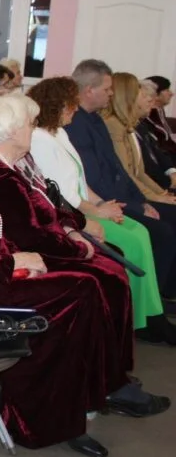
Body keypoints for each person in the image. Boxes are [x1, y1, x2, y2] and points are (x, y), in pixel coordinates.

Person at [0, 96, 168, 457]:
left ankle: (76, 401)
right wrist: (15, 261)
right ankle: (39, 418)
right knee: (81, 290)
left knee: (85, 287)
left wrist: (20, 259)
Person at [27, 76, 174, 342]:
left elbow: (81, 181)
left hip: (85, 207)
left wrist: (101, 204)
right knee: (132, 240)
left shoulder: (59, 133)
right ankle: (139, 318)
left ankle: (149, 312)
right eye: (71, 104)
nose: (75, 109)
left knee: (140, 231)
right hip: (73, 215)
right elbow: (61, 195)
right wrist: (95, 211)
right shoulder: (40, 139)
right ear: (57, 105)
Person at [67, 60, 176, 302]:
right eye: (107, 89)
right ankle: (150, 301)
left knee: (166, 224)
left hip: (121, 198)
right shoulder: (76, 124)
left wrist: (142, 201)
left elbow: (120, 170)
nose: (111, 94)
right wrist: (137, 205)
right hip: (106, 202)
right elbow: (93, 179)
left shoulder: (95, 120)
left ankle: (161, 297)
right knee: (162, 232)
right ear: (89, 90)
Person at [102, 72, 176, 207]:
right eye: (140, 94)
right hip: (128, 196)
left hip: (141, 190)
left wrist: (161, 193)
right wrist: (156, 196)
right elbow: (127, 173)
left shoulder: (129, 124)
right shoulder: (114, 124)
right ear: (127, 97)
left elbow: (139, 172)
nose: (151, 102)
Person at [137, 80, 176, 190]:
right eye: (150, 101)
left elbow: (156, 150)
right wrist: (164, 189)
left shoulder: (141, 124)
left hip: (163, 175)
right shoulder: (124, 126)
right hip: (154, 184)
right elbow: (143, 166)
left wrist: (171, 171)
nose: (152, 105)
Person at [144, 75, 175, 155]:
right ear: (156, 94)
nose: (172, 93)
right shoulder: (147, 116)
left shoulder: (159, 110)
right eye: (167, 90)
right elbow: (161, 144)